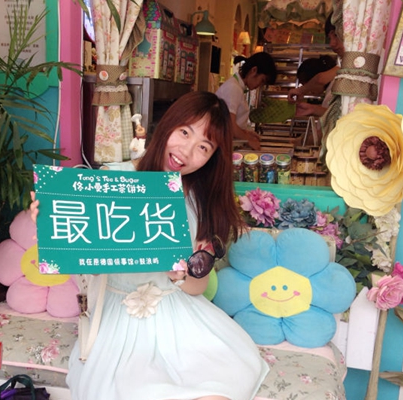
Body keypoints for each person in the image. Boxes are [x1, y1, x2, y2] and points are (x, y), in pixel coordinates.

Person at [31, 91, 269, 400]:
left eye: (204, 147)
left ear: (212, 157)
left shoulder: (200, 200)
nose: (186, 151)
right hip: (117, 320)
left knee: (216, 392)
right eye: (184, 132)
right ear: (168, 125)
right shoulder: (111, 178)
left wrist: (180, 276)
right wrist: (50, 221)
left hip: (179, 318)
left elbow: (198, 286)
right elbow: (83, 264)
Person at [215, 52, 277, 150]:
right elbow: (229, 124)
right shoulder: (233, 88)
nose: (260, 85)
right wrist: (247, 139)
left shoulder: (237, 87)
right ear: (254, 70)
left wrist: (246, 133)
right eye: (262, 80)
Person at [287, 11, 345, 117]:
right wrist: (313, 109)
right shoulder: (343, 63)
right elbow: (336, 116)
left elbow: (320, 79)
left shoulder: (353, 62)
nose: (332, 43)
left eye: (336, 35)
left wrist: (300, 90)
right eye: (330, 38)